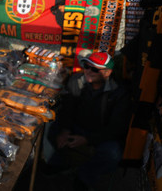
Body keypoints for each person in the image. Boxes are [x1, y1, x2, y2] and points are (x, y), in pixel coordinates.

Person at [46, 52, 131, 189]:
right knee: (54, 130)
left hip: (101, 135)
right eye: (86, 66)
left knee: (113, 154)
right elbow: (67, 109)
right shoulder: (76, 80)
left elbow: (116, 129)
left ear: (108, 72)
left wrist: (88, 139)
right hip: (76, 127)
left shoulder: (119, 94)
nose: (89, 71)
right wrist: (65, 130)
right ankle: (61, 164)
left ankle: (85, 176)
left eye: (95, 69)